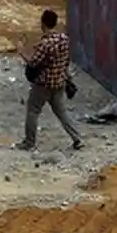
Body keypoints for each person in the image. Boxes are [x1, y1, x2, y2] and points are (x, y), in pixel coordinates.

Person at [17, 9, 83, 151]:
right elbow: (65, 62)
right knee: (61, 112)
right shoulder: (64, 39)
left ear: (43, 23)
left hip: (42, 84)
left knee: (33, 111)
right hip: (59, 83)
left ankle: (29, 142)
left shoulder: (45, 44)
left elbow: (33, 63)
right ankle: (77, 138)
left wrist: (22, 51)